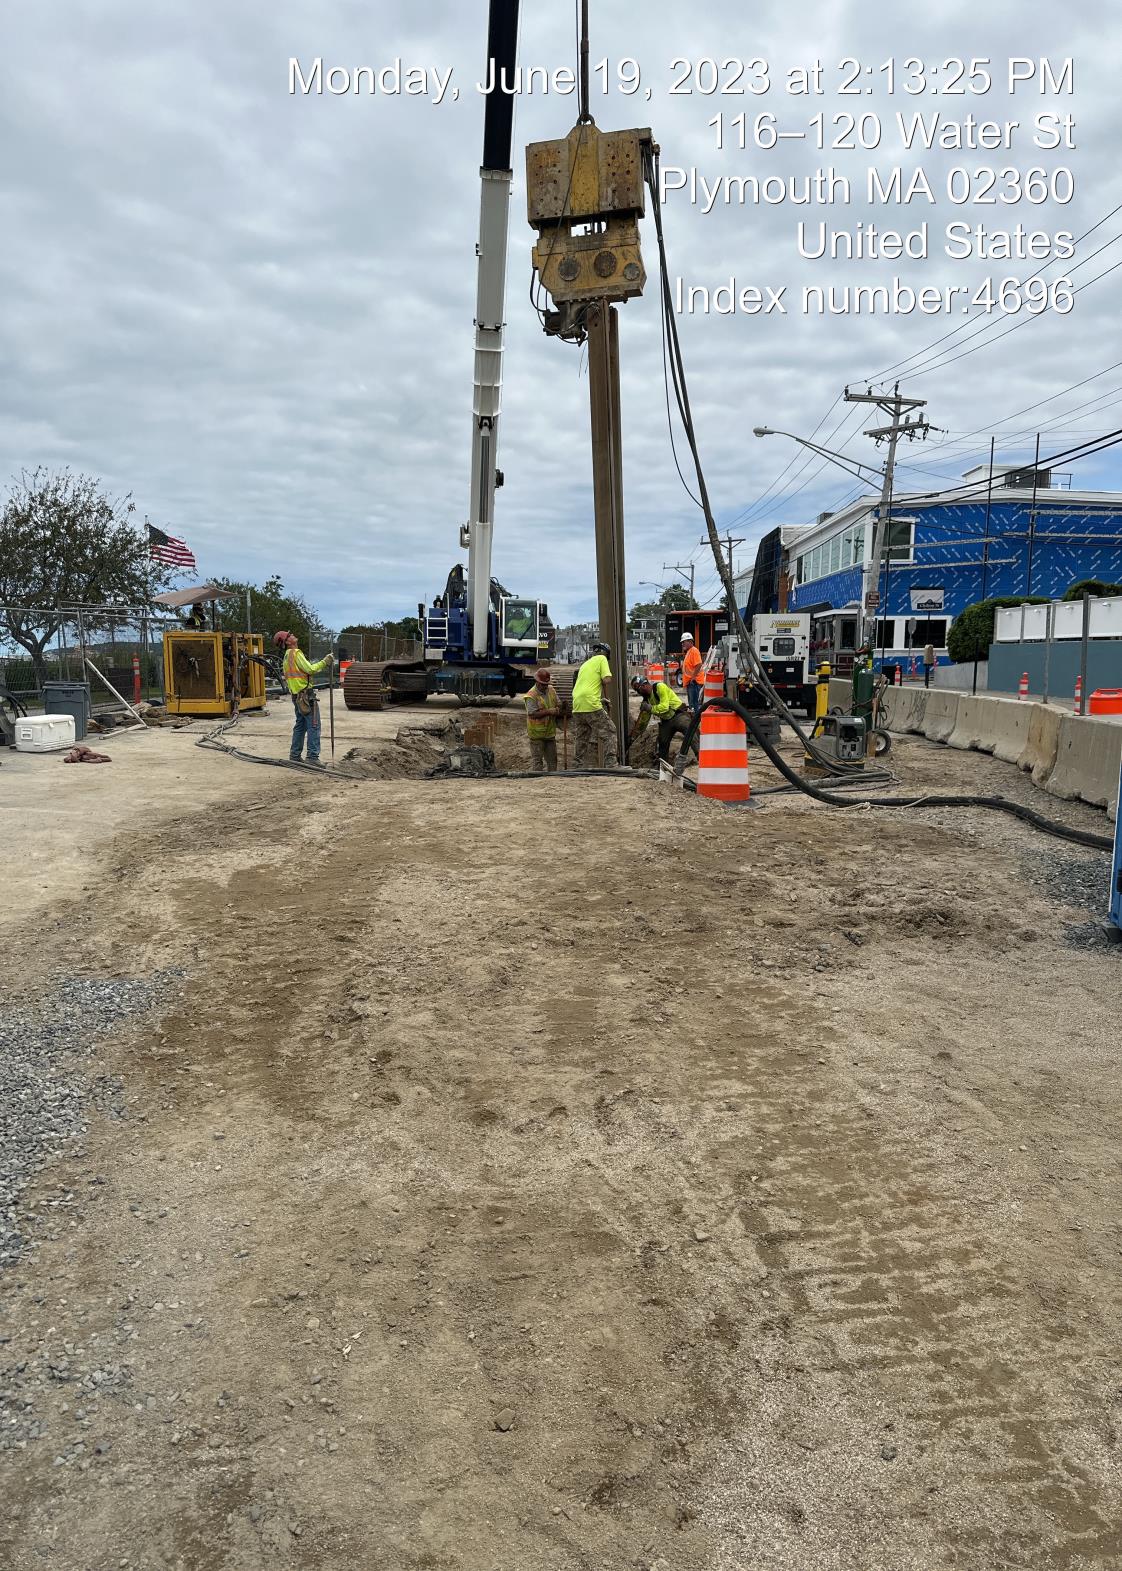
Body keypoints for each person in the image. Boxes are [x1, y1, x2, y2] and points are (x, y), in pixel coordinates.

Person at [274, 629, 333, 766]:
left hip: (296, 696)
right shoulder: (295, 653)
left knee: (300, 725)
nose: (293, 635)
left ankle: (294, 755)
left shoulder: (286, 656)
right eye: (290, 635)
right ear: (287, 642)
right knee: (314, 725)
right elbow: (310, 669)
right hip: (306, 696)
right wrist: (325, 661)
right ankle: (312, 757)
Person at [628, 675, 700, 765]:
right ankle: (663, 766)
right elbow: (644, 721)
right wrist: (635, 735)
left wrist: (650, 708)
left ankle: (700, 755)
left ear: (644, 685)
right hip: (666, 721)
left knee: (688, 729)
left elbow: (665, 707)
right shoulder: (647, 699)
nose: (639, 692)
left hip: (678, 714)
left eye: (639, 689)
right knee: (662, 742)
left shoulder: (659, 687)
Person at [570, 641, 618, 768]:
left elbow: (587, 686)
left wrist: (600, 700)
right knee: (610, 731)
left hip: (578, 704)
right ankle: (611, 764)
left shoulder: (585, 664)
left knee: (582, 736)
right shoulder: (602, 659)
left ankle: (577, 764)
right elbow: (606, 679)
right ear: (606, 654)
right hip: (589, 702)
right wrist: (605, 677)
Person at [524, 667, 561, 773]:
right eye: (543, 684)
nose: (545, 686)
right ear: (537, 682)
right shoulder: (531, 695)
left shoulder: (551, 690)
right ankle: (537, 783)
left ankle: (552, 781)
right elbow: (532, 714)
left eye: (546, 684)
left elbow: (557, 703)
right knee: (537, 762)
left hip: (549, 733)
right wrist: (549, 711)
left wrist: (561, 707)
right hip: (536, 735)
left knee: (553, 761)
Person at [680, 632, 704, 714]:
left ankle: (696, 722)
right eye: (682, 642)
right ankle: (695, 721)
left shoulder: (694, 651)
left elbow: (699, 664)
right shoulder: (689, 652)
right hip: (691, 682)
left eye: (684, 642)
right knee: (692, 705)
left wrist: (693, 678)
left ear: (690, 642)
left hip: (694, 682)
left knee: (694, 705)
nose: (682, 644)